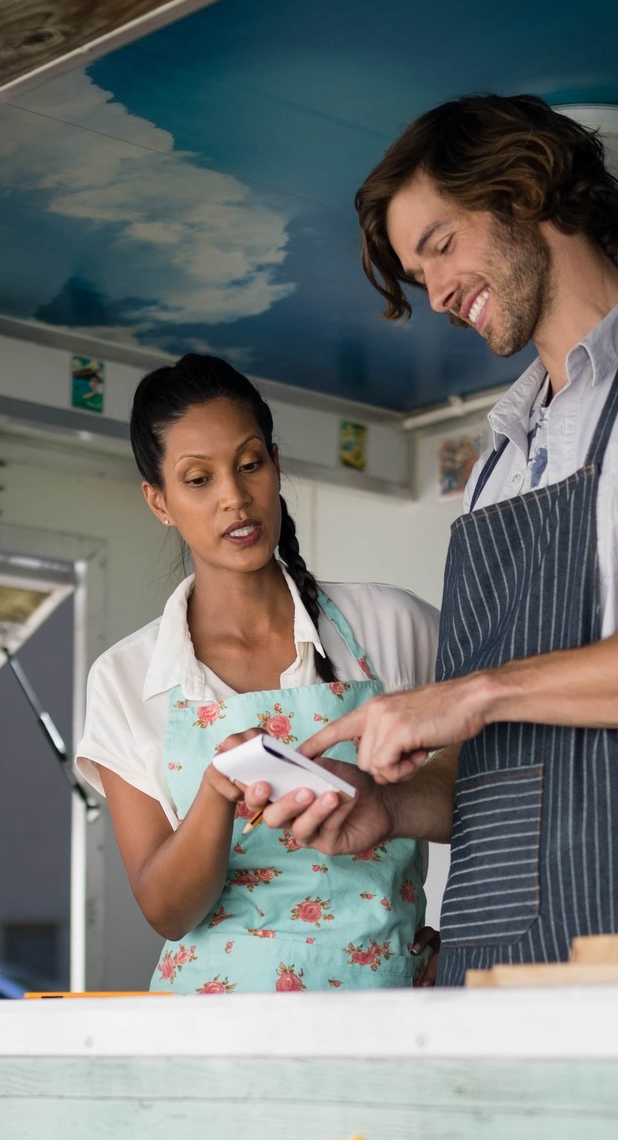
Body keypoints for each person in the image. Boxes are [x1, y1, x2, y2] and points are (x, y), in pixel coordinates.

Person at [265, 94, 618, 985]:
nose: (439, 292)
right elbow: (509, 773)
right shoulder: (494, 462)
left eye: (441, 244)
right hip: (487, 935)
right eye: (420, 274)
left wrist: (471, 693)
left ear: (524, 189)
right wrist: (392, 805)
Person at [75, 355, 440, 992]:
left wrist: (390, 804)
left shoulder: (392, 624)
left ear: (274, 463)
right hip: (211, 1032)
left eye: (250, 465)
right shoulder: (125, 678)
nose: (235, 498)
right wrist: (217, 796)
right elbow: (167, 910)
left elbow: (497, 797)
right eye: (197, 479)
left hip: (387, 1012)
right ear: (158, 501)